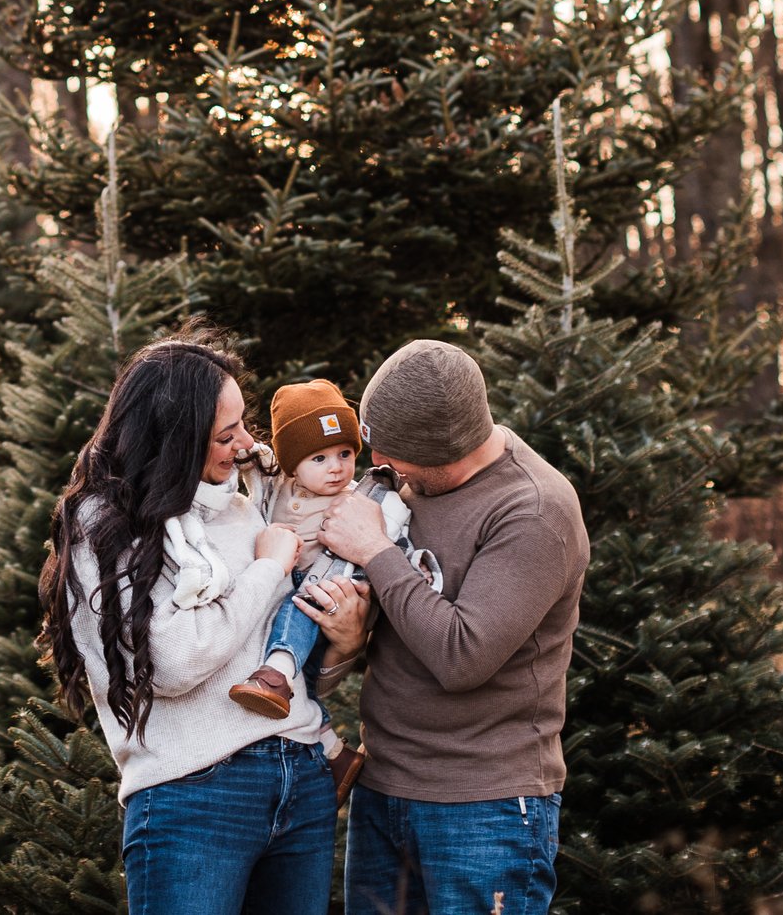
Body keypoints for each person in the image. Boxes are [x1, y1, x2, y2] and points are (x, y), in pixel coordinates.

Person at [41, 335, 374, 915]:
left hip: (301, 774)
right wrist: (269, 566)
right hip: (196, 793)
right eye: (227, 435)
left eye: (243, 425)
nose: (247, 445)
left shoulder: (244, 510)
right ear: (176, 438)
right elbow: (171, 664)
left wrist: (344, 644)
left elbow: (281, 669)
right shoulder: (107, 526)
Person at [316, 339, 589, 915]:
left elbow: (462, 656)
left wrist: (374, 550)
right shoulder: (406, 488)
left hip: (483, 807)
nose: (376, 467)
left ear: (443, 452)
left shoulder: (533, 510)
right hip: (383, 788)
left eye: (391, 456)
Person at [223, 378, 419, 801]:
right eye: (320, 457)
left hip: (328, 587)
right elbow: (253, 462)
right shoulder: (278, 486)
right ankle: (333, 750)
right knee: (303, 679)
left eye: (345, 454)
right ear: (294, 464)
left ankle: (275, 675)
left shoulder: (360, 501)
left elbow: (396, 541)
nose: (336, 467)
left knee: (301, 604)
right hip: (279, 583)